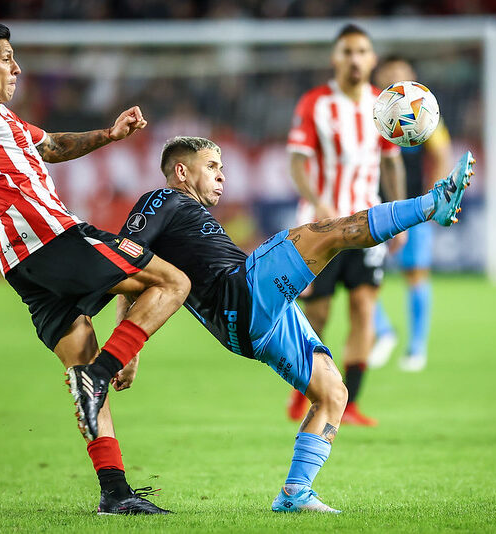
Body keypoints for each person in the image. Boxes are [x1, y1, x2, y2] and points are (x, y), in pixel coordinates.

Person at [0, 20, 190, 515]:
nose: (16, 67)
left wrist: (109, 134)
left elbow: (52, 146)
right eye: (7, 57)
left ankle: (114, 493)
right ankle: (101, 375)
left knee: (81, 357)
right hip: (49, 237)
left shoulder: (3, 120)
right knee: (173, 280)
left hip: (21, 262)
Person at [112, 136, 474, 513]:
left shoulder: (188, 216)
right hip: (242, 292)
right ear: (182, 171)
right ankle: (434, 202)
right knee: (332, 232)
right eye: (212, 167)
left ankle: (295, 494)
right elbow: (127, 263)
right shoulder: (161, 200)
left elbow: (139, 271)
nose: (222, 176)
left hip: (247, 330)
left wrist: (132, 347)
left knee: (334, 393)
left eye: (221, 168)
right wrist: (128, 346)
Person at [286, 23, 406, 426]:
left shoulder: (382, 104)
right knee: (316, 313)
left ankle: (349, 402)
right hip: (321, 225)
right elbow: (298, 162)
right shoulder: (316, 103)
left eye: (362, 51)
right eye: (347, 51)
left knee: (363, 308)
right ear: (335, 58)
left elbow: (391, 162)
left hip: (369, 224)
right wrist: (318, 201)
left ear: (372, 59)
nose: (355, 59)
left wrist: (398, 218)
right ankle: (305, 387)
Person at [368, 56, 453, 372]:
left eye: (401, 73)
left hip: (412, 207)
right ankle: (384, 332)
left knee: (415, 272)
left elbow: (442, 154)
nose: (395, 78)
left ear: (412, 77)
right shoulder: (367, 111)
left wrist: (434, 198)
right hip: (369, 204)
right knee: (360, 277)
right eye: (389, 73)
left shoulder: (425, 111)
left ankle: (417, 347)